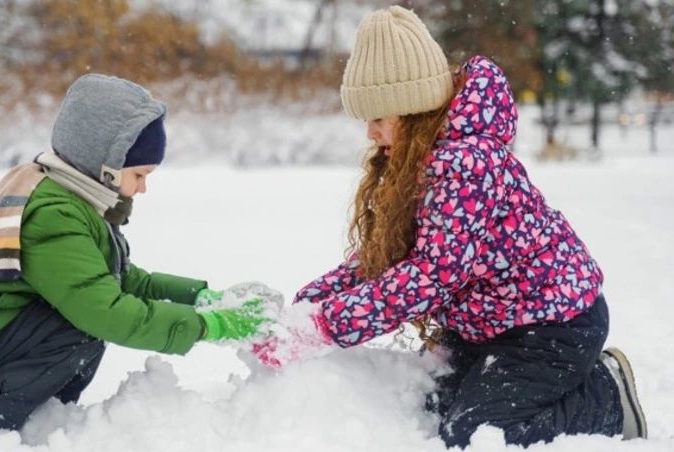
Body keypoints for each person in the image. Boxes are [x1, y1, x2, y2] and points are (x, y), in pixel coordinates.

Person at [253, 6, 646, 448]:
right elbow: (386, 261)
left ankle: (604, 397)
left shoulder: (466, 165)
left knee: (475, 434)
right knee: (426, 406)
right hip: (487, 324)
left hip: (551, 326)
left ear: (411, 110)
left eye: (378, 119)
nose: (370, 133)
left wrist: (326, 326)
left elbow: (431, 275)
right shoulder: (419, 163)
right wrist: (309, 306)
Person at [0, 74, 274, 437]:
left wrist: (200, 297)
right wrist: (211, 325)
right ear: (106, 167)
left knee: (82, 316)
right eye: (139, 174)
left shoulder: (73, 197)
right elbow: (108, 312)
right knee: (83, 323)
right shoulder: (52, 213)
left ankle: (39, 418)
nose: (143, 189)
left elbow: (122, 280)